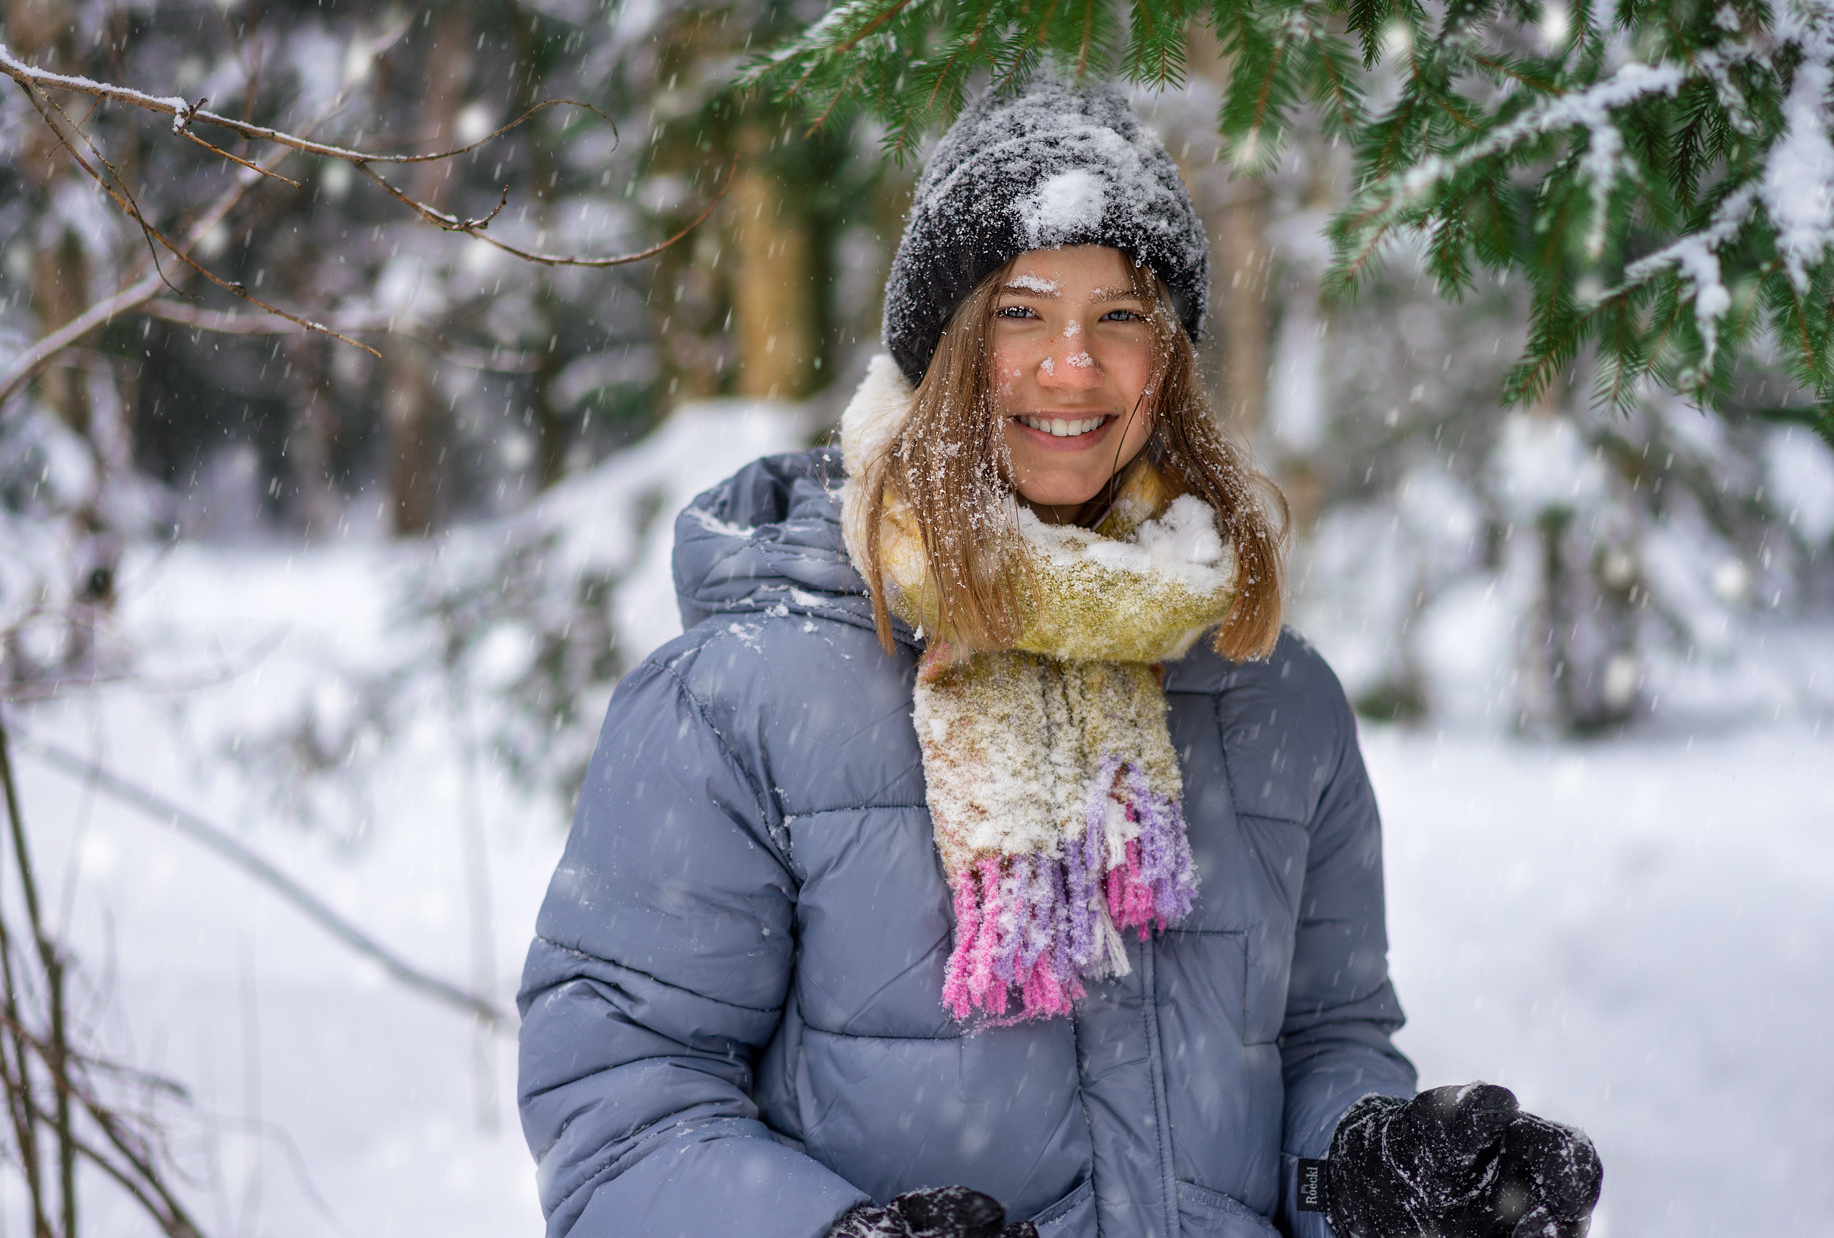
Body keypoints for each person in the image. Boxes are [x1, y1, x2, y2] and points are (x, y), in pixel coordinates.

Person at [515, 76, 1603, 1238]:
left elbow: (1325, 1038)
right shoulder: (743, 696)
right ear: (941, 347)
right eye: (1018, 312)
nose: (1069, 365)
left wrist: (1368, 1169)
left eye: (1120, 316)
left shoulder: (1271, 690)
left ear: (1167, 359)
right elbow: (620, 1108)